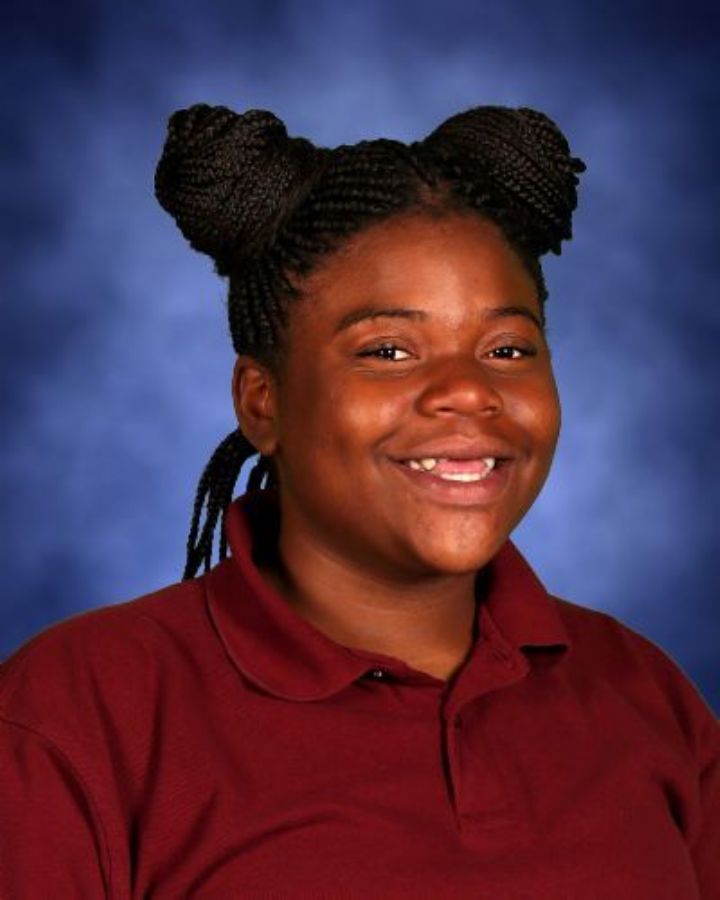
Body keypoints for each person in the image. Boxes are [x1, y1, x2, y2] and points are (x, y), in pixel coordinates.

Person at [1, 102, 717, 899]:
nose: (467, 391)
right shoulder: (77, 716)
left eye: (508, 348)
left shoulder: (645, 695)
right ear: (262, 402)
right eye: (389, 350)